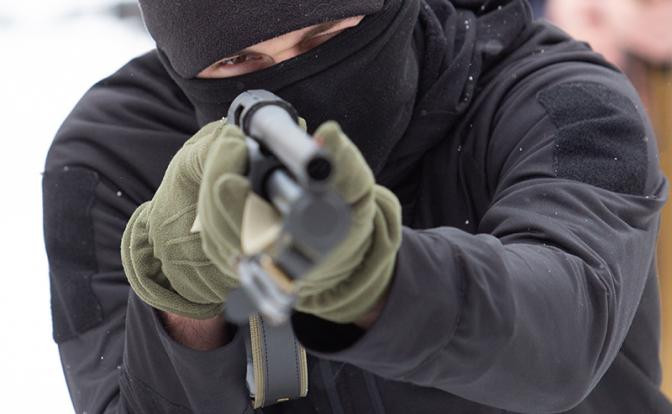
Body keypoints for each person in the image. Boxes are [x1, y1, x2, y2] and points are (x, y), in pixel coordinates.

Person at [42, 0, 672, 413]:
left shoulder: (560, 99)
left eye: (327, 35)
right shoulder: (112, 156)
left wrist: (377, 281)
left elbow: (562, 330)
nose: (295, 77)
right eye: (238, 61)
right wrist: (182, 300)